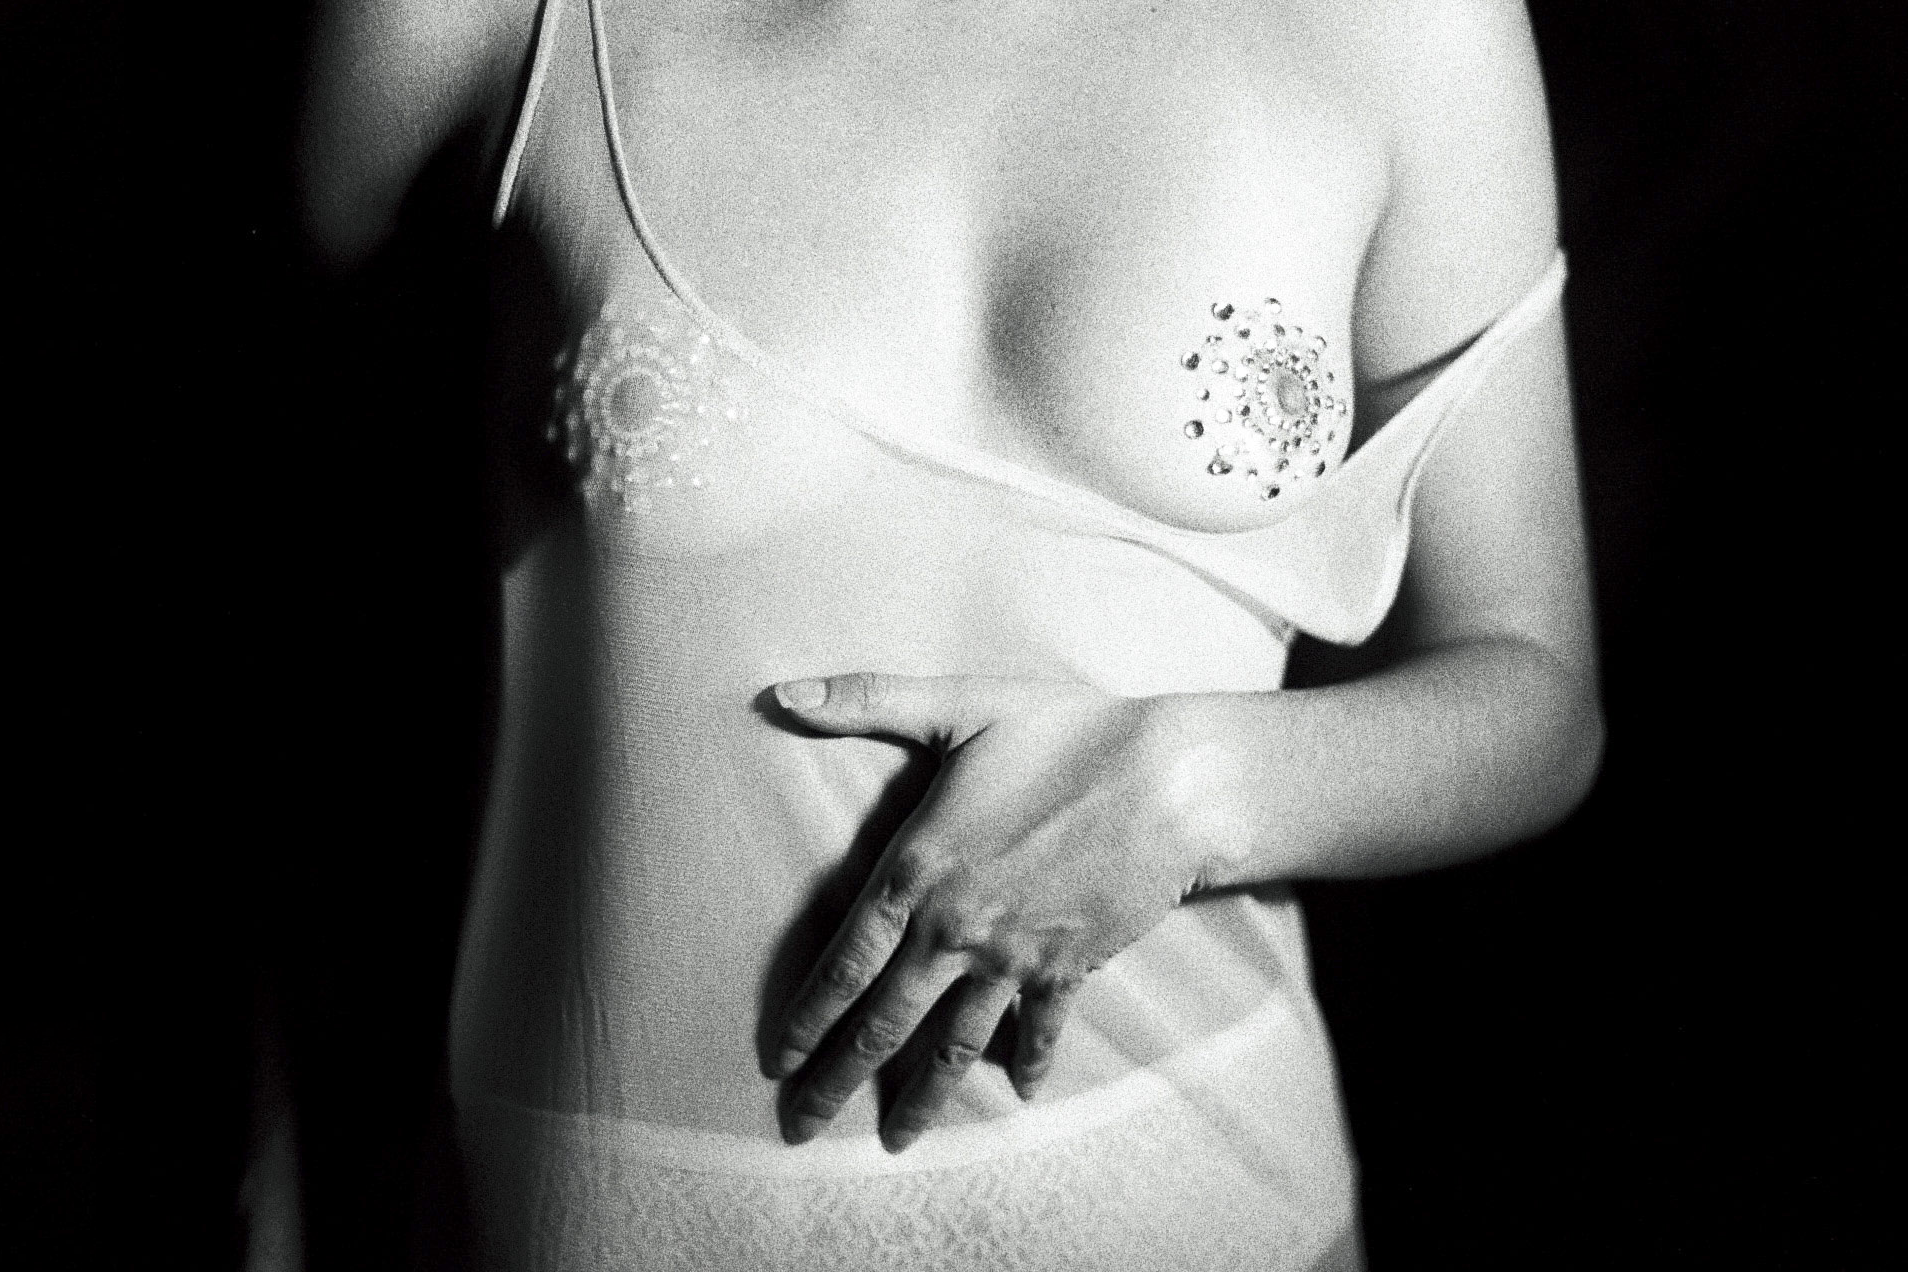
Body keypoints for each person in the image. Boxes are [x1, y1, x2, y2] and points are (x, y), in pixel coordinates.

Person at [299, 0, 1602, 1266]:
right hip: (610, 1213)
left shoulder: (1402, 26)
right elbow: (263, 606)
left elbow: (1535, 694)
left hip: (1203, 1193)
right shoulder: (492, 20)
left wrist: (1184, 793)